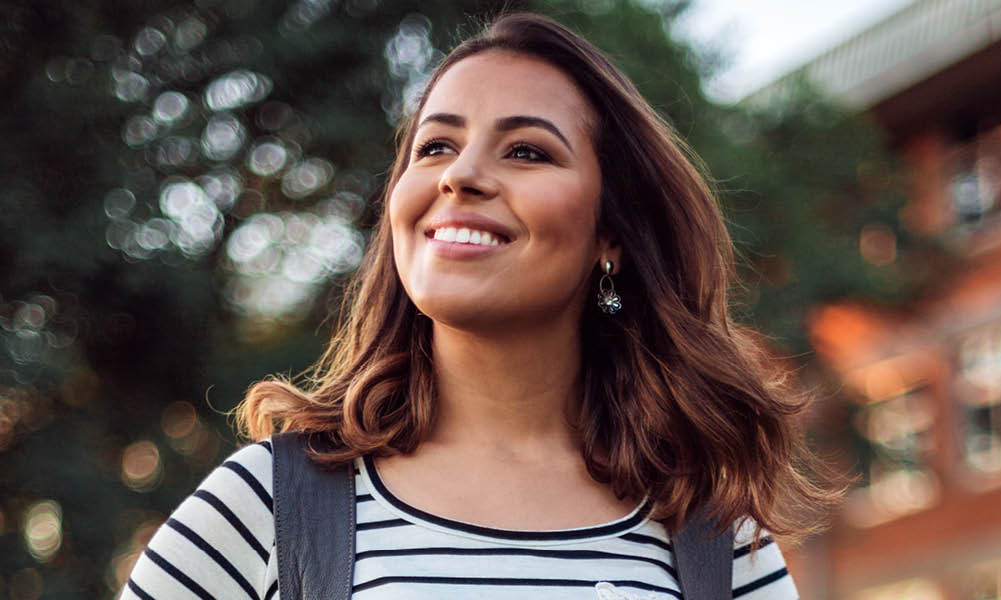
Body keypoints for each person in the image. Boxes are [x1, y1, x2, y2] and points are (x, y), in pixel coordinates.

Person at [121, 12, 838, 600]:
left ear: (611, 236)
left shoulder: (711, 537)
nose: (460, 175)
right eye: (435, 146)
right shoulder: (271, 506)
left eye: (526, 152)